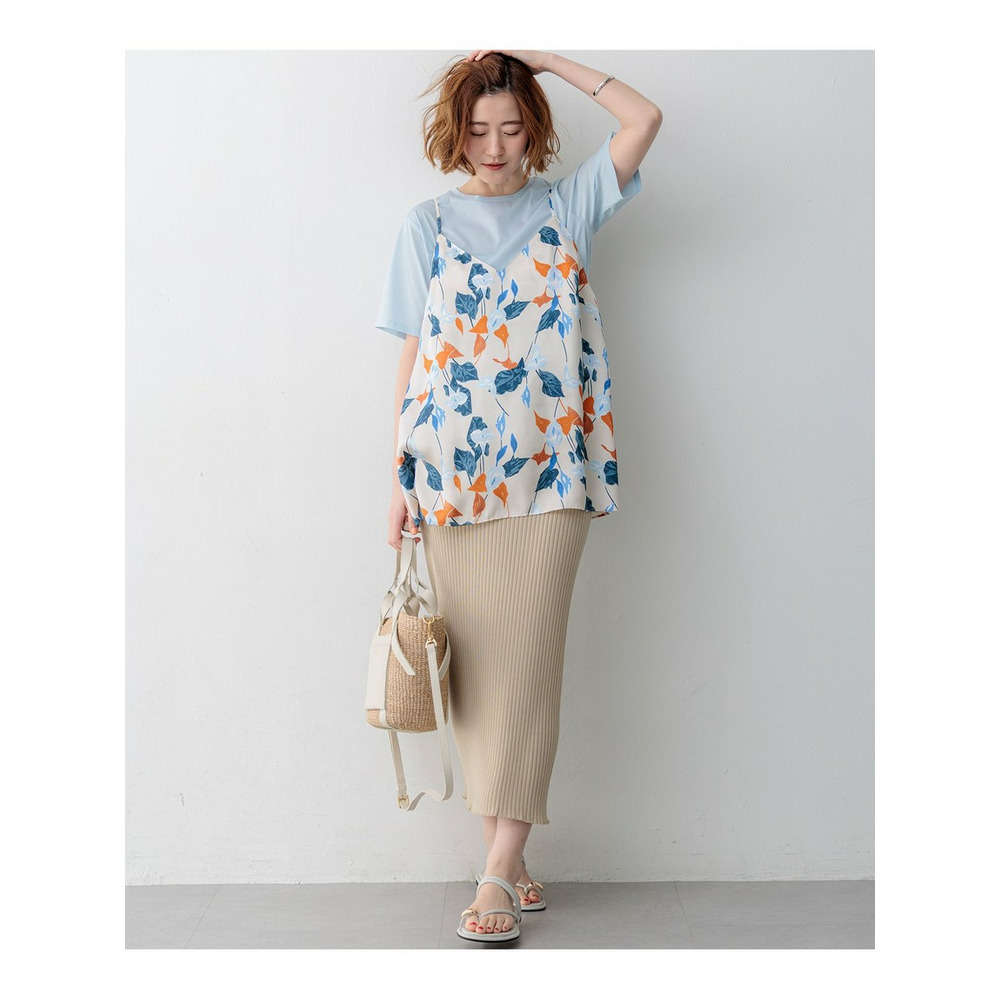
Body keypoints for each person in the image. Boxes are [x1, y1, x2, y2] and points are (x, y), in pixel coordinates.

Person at [376, 49, 661, 943]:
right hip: (450, 480)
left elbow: (644, 121)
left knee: (529, 666)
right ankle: (514, 854)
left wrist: (544, 61)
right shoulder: (424, 225)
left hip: (552, 478)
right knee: (476, 676)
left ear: (533, 130)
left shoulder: (566, 208)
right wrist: (397, 474)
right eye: (477, 129)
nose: (494, 147)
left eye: (510, 128)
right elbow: (414, 355)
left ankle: (496, 867)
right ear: (453, 133)